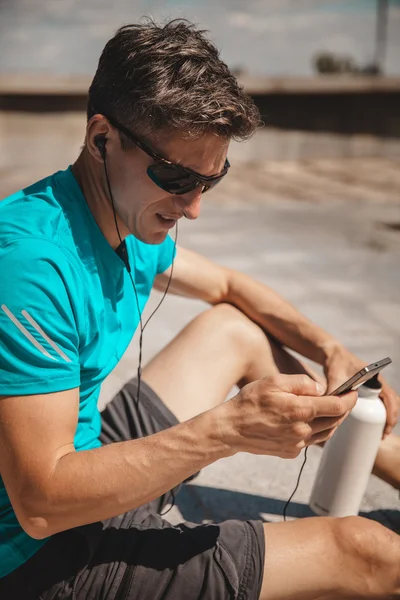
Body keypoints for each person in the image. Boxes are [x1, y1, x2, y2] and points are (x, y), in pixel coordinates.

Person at [0, 18, 399, 600]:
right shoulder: (33, 265)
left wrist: (332, 350)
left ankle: (382, 448)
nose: (192, 209)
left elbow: (230, 285)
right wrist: (228, 430)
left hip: (83, 463)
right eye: (176, 177)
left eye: (210, 181)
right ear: (100, 137)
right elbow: (40, 502)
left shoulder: (118, 212)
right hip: (38, 554)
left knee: (234, 331)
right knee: (366, 554)